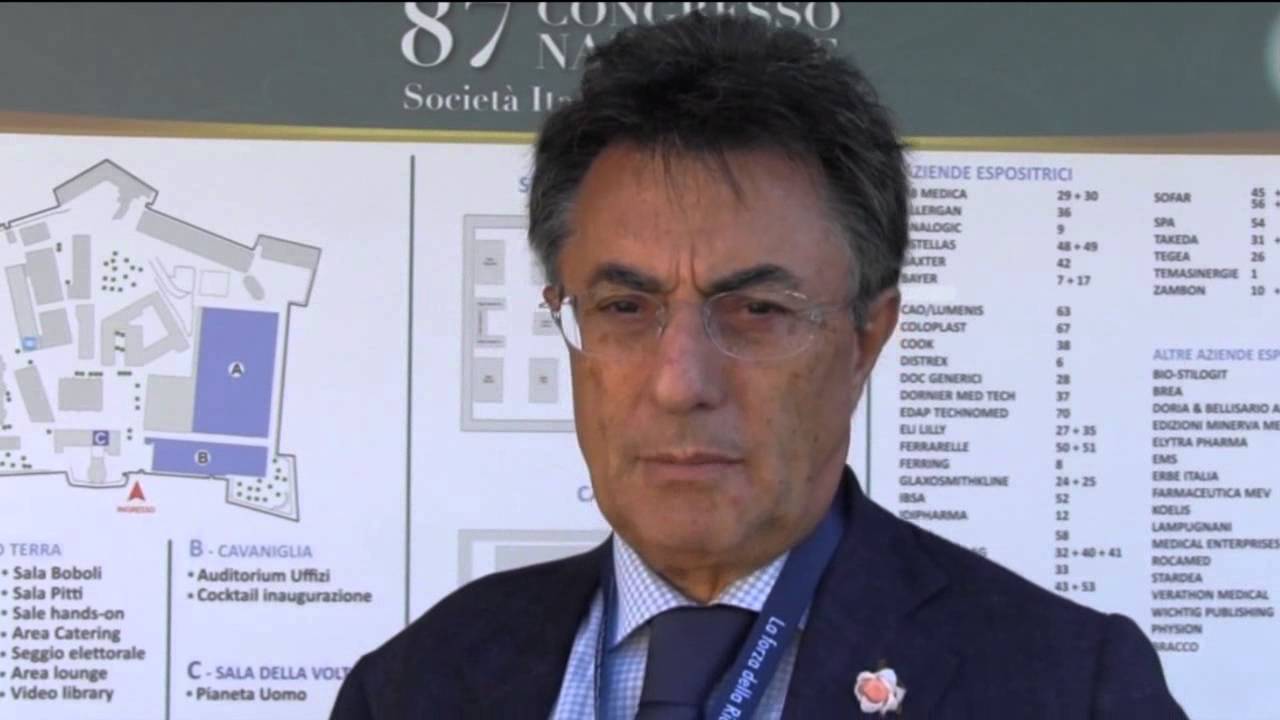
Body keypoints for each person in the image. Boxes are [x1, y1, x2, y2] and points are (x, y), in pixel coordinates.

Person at [332, 12, 1186, 719]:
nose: (680, 383)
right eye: (624, 308)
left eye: (758, 311)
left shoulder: (1070, 687)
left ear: (866, 339)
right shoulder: (415, 686)